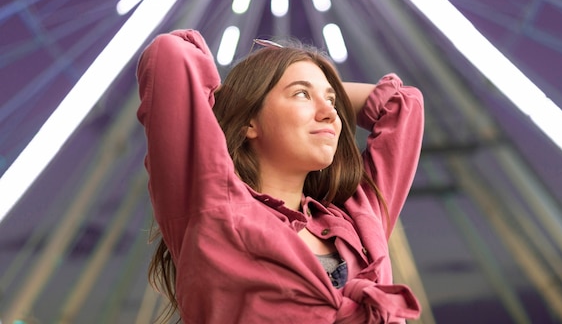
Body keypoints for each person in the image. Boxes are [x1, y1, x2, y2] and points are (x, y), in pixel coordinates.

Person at [136, 29, 425, 323]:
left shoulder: (358, 215)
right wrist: (236, 96)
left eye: (333, 101)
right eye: (301, 94)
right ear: (250, 121)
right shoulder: (211, 206)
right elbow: (170, 52)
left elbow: (403, 103)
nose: (329, 112)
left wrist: (312, 90)